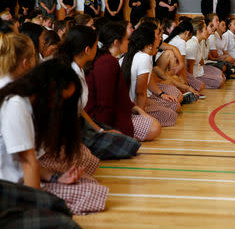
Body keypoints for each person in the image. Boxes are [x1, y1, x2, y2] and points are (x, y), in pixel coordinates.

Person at [0, 37, 108, 214]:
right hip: (8, 189)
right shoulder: (16, 104)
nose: (59, 107)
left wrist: (57, 178)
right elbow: (28, 162)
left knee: (90, 186)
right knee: (87, 194)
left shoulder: (29, 103)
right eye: (60, 100)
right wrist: (37, 207)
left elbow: (26, 160)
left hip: (22, 181)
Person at [57, 25, 141, 160]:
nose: (98, 49)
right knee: (92, 160)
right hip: (70, 131)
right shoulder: (70, 72)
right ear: (87, 50)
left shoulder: (80, 69)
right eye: (96, 45)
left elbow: (80, 110)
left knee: (128, 143)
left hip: (82, 123)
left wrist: (100, 129)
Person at [85, 22, 161, 140]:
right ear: (116, 42)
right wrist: (105, 130)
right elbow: (104, 103)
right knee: (154, 127)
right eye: (126, 39)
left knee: (153, 123)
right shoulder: (107, 62)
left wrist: (138, 110)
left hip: (116, 111)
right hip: (102, 118)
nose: (129, 42)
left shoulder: (112, 59)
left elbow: (121, 96)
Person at [121, 24, 180, 126]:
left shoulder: (136, 54)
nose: (158, 42)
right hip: (133, 106)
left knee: (174, 105)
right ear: (149, 45)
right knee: (170, 116)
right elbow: (141, 92)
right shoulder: (144, 58)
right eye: (156, 39)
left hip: (135, 102)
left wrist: (161, 94)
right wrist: (142, 115)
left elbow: (148, 82)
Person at [186, 18, 225, 89]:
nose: (208, 31)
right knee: (219, 82)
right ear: (199, 32)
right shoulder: (192, 44)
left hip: (199, 69)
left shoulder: (198, 42)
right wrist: (192, 83)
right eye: (205, 29)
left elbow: (201, 62)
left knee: (221, 75)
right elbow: (189, 68)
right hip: (194, 74)